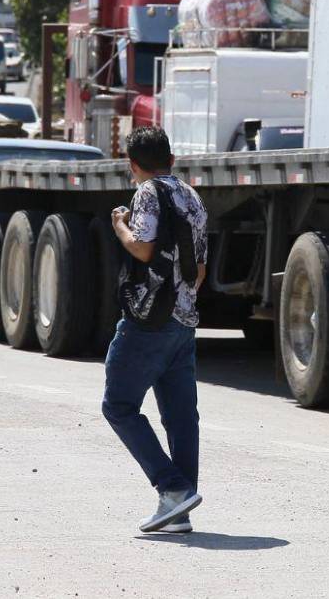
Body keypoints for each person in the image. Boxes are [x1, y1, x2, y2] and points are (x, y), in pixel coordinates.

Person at [104, 126, 208, 534]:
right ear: (172, 158)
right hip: (184, 321)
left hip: (150, 321)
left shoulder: (147, 192)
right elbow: (199, 269)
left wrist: (120, 227)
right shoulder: (193, 196)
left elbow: (143, 247)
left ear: (133, 165)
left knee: (118, 405)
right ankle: (177, 510)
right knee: (181, 417)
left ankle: (173, 488)